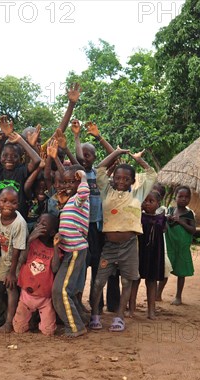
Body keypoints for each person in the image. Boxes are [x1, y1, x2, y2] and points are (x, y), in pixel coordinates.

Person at [89, 147, 156, 332]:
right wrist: (117, 153)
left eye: (126, 179)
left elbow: (152, 174)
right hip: (109, 245)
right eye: (118, 178)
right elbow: (99, 169)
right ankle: (95, 314)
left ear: (133, 181)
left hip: (130, 245)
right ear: (113, 179)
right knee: (98, 282)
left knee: (126, 282)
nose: (121, 181)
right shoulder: (106, 192)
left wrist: (138, 159)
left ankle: (119, 316)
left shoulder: (137, 194)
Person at [73, 120, 120, 314]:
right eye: (82, 154)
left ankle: (101, 305)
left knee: (101, 267)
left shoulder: (99, 174)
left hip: (100, 227)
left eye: (89, 154)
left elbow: (114, 156)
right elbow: (76, 157)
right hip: (83, 228)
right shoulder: (77, 174)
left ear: (94, 157)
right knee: (82, 267)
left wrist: (98, 136)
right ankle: (81, 303)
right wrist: (76, 136)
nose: (84, 158)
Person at [52, 165, 90, 337]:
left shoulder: (80, 199)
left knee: (60, 290)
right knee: (69, 289)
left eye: (70, 182)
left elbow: (83, 193)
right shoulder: (71, 201)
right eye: (64, 182)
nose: (67, 185)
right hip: (70, 251)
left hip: (75, 250)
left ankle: (75, 327)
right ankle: (81, 319)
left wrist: (83, 177)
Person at [0, 187, 28, 333]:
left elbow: (18, 250)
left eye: (12, 202)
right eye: (4, 201)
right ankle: (6, 314)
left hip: (19, 258)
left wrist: (12, 272)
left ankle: (9, 323)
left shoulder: (19, 223)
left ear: (18, 205)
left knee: (10, 287)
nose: (8, 205)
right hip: (5, 255)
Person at [13, 213, 61, 336]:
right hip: (26, 295)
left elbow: (55, 268)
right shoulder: (32, 243)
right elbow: (21, 260)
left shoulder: (54, 249)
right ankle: (31, 320)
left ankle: (39, 320)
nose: (38, 226)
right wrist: (29, 241)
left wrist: (56, 247)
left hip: (44, 298)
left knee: (48, 331)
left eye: (43, 225)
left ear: (51, 232)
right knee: (19, 328)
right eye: (38, 222)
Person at [130, 191, 166, 319]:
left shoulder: (162, 218)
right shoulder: (139, 216)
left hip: (154, 254)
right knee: (135, 279)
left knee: (151, 282)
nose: (147, 204)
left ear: (158, 204)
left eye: (151, 201)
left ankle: (151, 311)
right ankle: (131, 309)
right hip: (140, 253)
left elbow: (164, 230)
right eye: (145, 201)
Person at [166, 186, 197, 305]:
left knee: (181, 272)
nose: (183, 199)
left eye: (186, 197)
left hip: (182, 247)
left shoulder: (189, 214)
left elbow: (193, 230)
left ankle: (178, 296)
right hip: (170, 245)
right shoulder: (170, 210)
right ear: (175, 197)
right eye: (180, 196)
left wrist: (180, 222)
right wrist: (167, 219)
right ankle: (158, 294)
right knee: (166, 268)